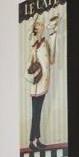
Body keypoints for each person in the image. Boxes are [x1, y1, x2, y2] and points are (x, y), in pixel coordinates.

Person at [24, 10, 59, 149]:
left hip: (43, 83)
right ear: (35, 28)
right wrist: (33, 69)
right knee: (36, 113)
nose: (40, 26)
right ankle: (31, 141)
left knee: (38, 112)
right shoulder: (33, 47)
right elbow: (30, 65)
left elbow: (52, 60)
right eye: (37, 24)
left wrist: (54, 34)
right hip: (35, 84)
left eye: (40, 24)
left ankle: (36, 140)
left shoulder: (46, 44)